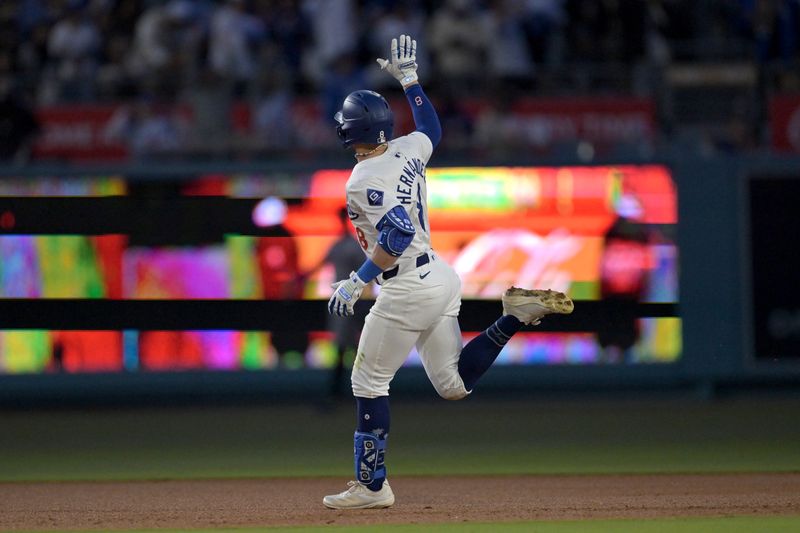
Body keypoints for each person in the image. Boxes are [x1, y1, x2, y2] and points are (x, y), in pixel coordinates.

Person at [322, 35, 573, 510]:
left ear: (351, 131)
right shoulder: (405, 149)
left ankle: (372, 487)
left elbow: (394, 238)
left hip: (408, 287)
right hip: (439, 274)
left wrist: (358, 281)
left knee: (368, 383)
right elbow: (431, 129)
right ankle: (514, 317)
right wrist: (412, 82)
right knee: (453, 385)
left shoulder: (363, 179)